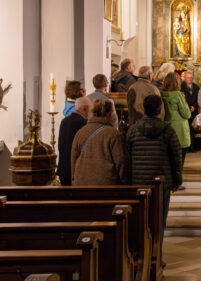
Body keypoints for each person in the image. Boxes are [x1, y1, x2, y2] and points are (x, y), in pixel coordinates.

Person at [126, 95, 182, 232]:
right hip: (161, 182)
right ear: (160, 109)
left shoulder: (133, 129)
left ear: (144, 109)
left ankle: (142, 251)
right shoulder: (167, 129)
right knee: (159, 219)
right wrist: (177, 180)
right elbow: (176, 156)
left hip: (139, 181)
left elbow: (126, 156)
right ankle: (156, 250)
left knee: (141, 219)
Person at [71, 99, 128, 185]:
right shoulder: (113, 134)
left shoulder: (80, 132)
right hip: (106, 186)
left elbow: (73, 160)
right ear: (109, 115)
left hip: (82, 185)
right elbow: (121, 162)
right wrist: (125, 184)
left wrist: (74, 181)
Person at [57, 97, 91, 185]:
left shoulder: (64, 121)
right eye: (90, 109)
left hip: (62, 169)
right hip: (74, 170)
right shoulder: (84, 123)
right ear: (85, 108)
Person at [161, 72, 191, 169]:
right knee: (179, 160)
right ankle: (177, 182)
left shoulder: (161, 94)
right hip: (179, 129)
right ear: (177, 83)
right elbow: (186, 113)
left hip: (166, 127)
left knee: (168, 159)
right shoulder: (178, 95)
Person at [180, 71, 200, 150]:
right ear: (184, 78)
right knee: (186, 129)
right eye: (188, 78)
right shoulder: (180, 87)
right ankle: (186, 146)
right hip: (185, 110)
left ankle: (192, 146)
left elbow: (198, 99)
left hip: (194, 111)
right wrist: (188, 107)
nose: (190, 79)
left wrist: (194, 107)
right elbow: (181, 99)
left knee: (192, 129)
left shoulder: (196, 87)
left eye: (191, 78)